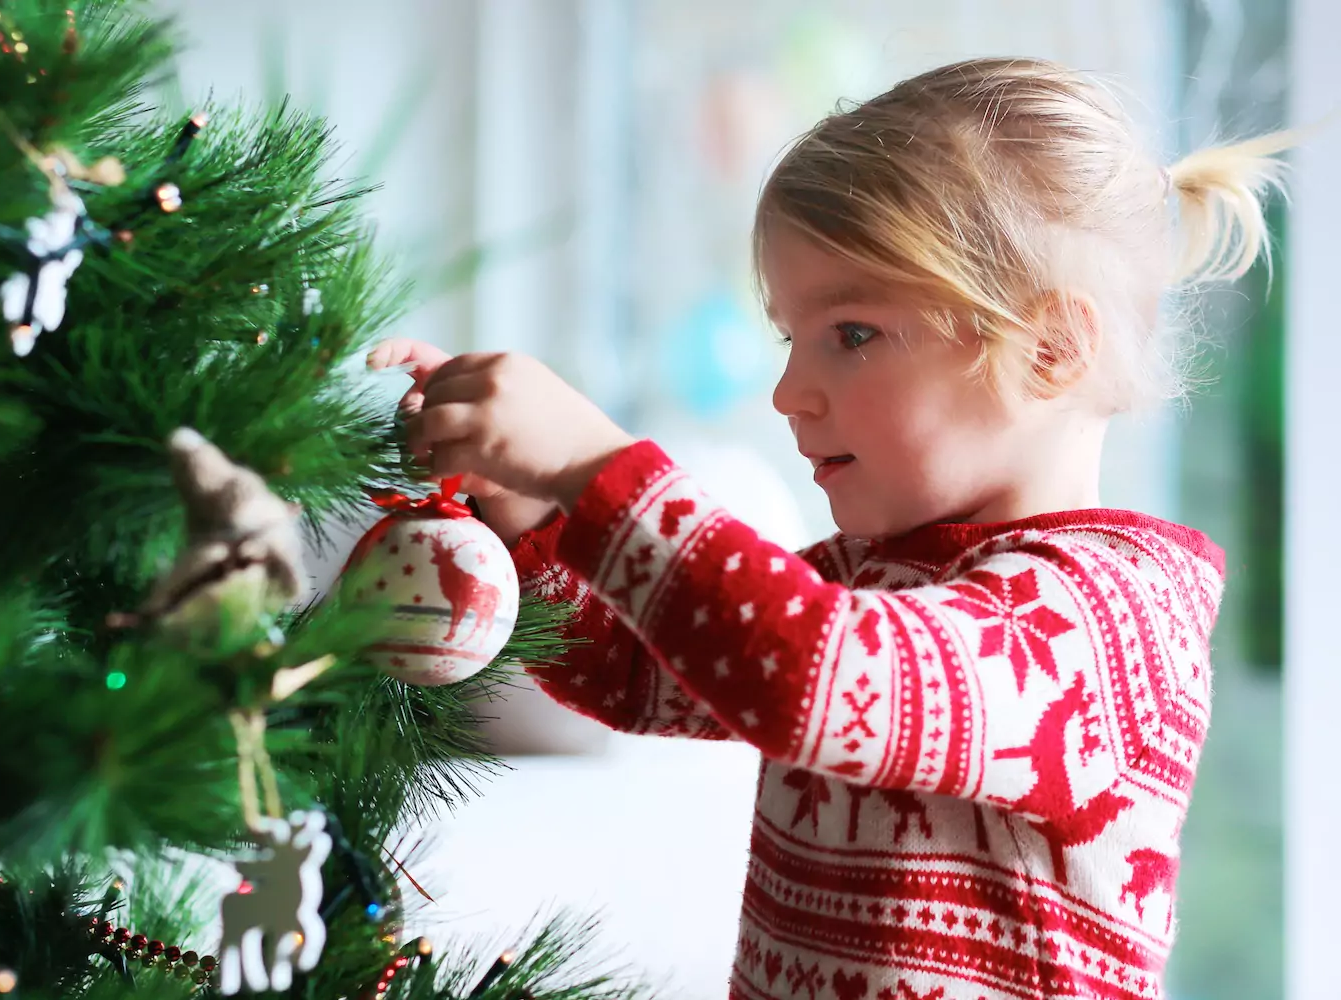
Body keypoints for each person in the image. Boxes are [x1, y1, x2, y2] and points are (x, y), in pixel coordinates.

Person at [369, 57, 1288, 1000]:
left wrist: (593, 467)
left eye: (850, 334)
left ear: (1050, 348)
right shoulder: (874, 575)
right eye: (789, 337)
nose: (786, 394)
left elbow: (813, 674)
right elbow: (634, 672)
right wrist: (526, 509)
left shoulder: (1110, 616)